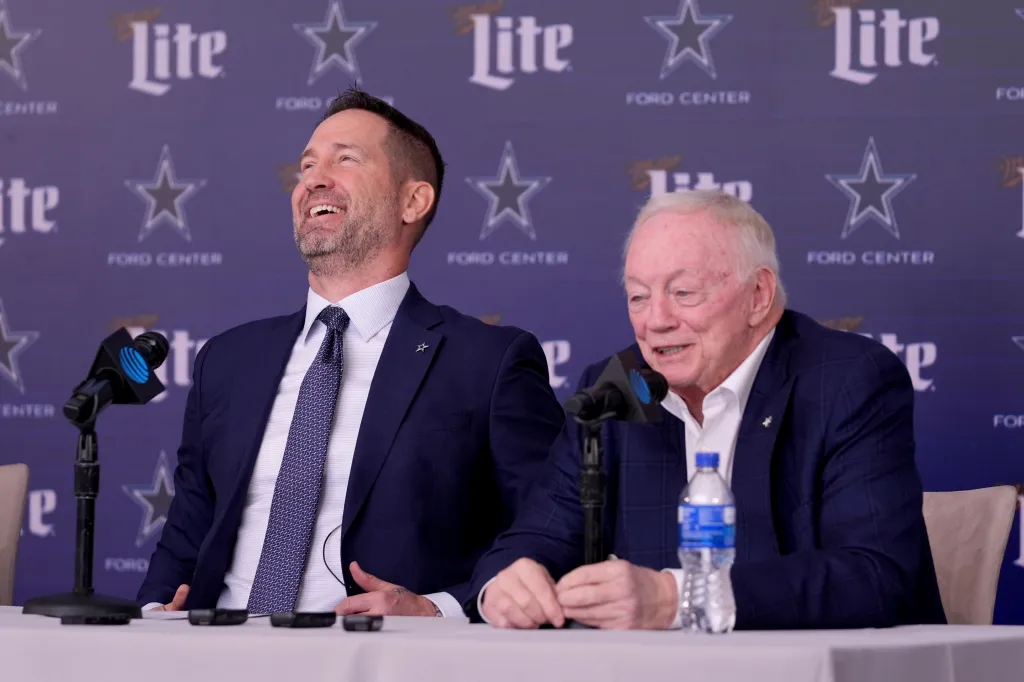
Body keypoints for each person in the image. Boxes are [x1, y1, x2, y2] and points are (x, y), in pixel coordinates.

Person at [136, 87, 565, 618]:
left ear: (413, 201)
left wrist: (436, 610)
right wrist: (154, 617)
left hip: (382, 653)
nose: (314, 179)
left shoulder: (489, 362)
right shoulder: (227, 361)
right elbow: (185, 534)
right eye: (307, 165)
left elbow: (549, 526)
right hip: (217, 646)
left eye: (346, 160)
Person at [467, 190, 947, 630]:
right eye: (638, 297)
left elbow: (873, 576)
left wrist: (677, 598)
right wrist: (505, 586)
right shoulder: (616, 387)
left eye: (683, 293)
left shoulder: (846, 380)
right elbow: (531, 539)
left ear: (758, 296)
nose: (656, 321)